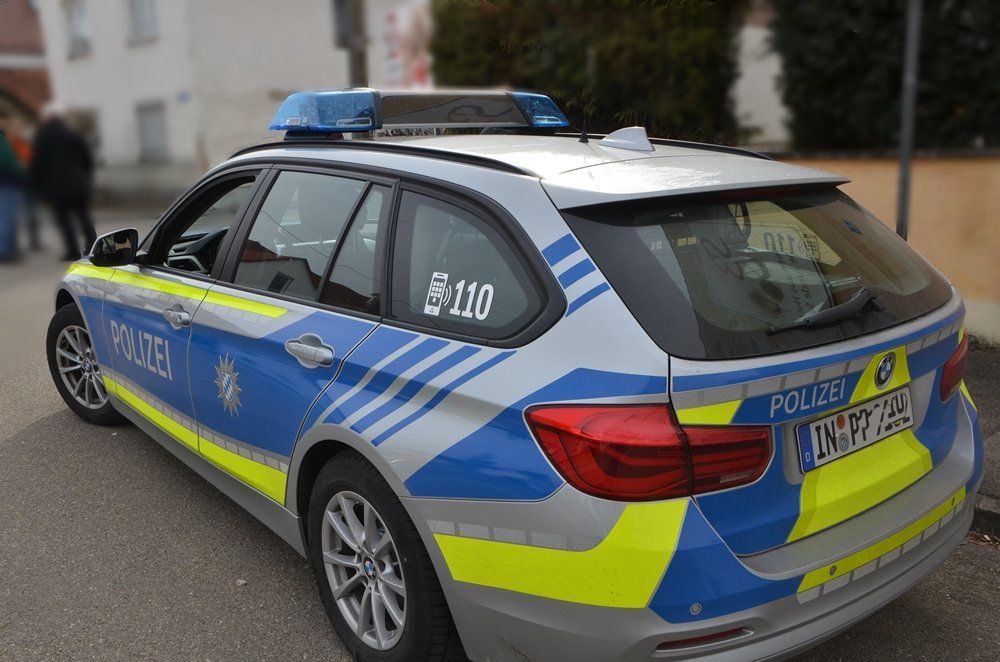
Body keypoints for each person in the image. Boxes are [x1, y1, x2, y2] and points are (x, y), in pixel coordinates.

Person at [30, 105, 96, 261]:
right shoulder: (73, 134)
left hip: (56, 187)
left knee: (64, 220)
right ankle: (93, 247)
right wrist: (84, 176)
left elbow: (38, 164)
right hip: (78, 184)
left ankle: (72, 251)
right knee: (84, 216)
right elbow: (87, 158)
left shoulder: (42, 137)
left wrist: (37, 185)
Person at [0, 113, 25, 262]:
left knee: (6, 217)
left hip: (6, 183)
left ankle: (9, 248)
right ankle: (4, 250)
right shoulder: (2, 141)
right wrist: (23, 174)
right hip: (7, 183)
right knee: (6, 218)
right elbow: (10, 163)